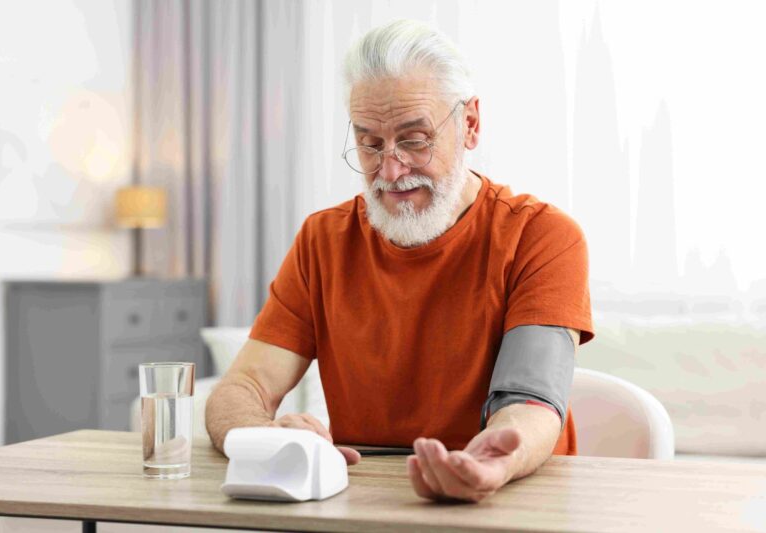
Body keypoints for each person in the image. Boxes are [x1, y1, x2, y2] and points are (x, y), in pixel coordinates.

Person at [206, 19, 593, 503]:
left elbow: (530, 402)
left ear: (470, 124)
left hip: (514, 500)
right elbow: (241, 388)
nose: (390, 170)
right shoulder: (322, 240)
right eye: (370, 143)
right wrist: (265, 437)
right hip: (366, 502)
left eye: (414, 140)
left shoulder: (541, 236)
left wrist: (492, 460)